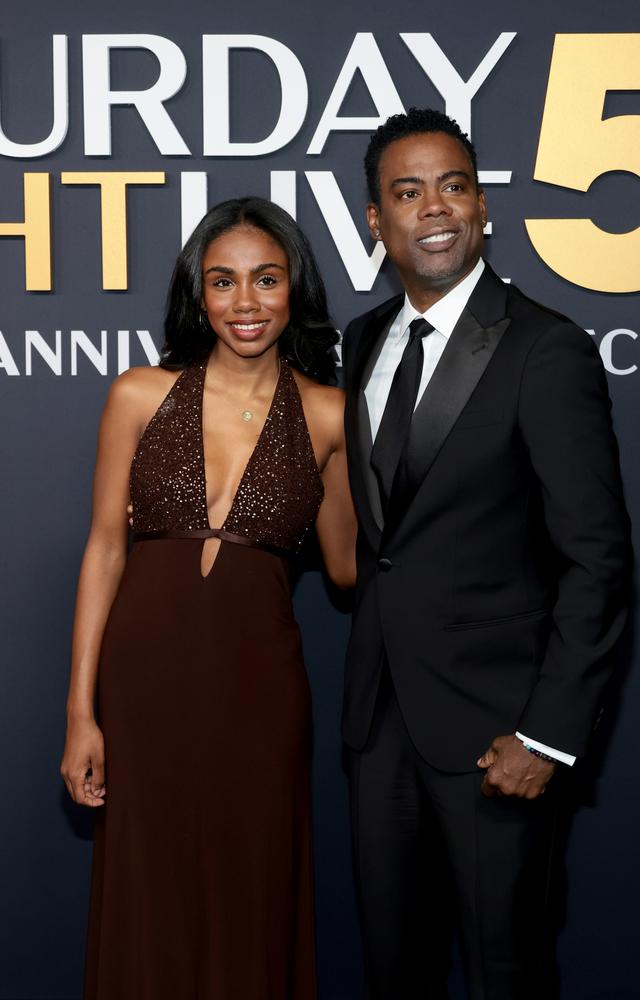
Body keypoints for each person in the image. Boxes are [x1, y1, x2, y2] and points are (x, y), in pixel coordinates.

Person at [341, 108, 632, 999]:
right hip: (380, 724)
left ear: (483, 206)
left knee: (507, 973)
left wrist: (546, 736)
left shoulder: (546, 349)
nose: (435, 208)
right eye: (407, 191)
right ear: (374, 221)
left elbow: (599, 561)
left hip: (498, 736)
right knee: (397, 972)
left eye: (454, 185)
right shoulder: (359, 343)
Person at [60, 197, 356, 1000]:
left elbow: (347, 569)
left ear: (294, 288)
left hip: (259, 689)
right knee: (149, 893)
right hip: (143, 685)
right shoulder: (139, 395)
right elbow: (104, 548)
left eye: (266, 279)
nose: (246, 303)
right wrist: (81, 713)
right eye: (223, 283)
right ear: (199, 295)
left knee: (251, 891)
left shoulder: (331, 414)